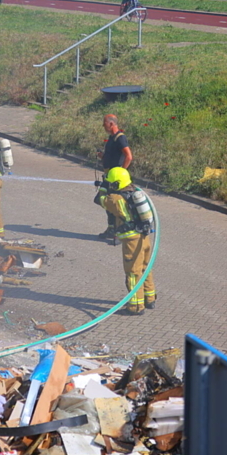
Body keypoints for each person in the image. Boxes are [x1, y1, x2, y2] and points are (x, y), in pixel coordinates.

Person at [96, 167, 156, 315]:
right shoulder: (135, 191)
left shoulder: (115, 199)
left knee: (133, 272)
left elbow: (99, 199)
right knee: (144, 267)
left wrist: (103, 187)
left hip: (131, 240)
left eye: (111, 183)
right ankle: (150, 298)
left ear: (116, 184)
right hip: (144, 236)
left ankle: (136, 306)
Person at [96, 114, 132, 239]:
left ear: (111, 124)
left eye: (104, 123)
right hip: (108, 176)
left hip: (115, 180)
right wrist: (103, 156)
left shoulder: (120, 138)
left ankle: (118, 230)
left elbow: (128, 156)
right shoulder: (111, 138)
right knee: (106, 202)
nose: (103, 126)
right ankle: (111, 229)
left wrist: (121, 173)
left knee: (115, 204)